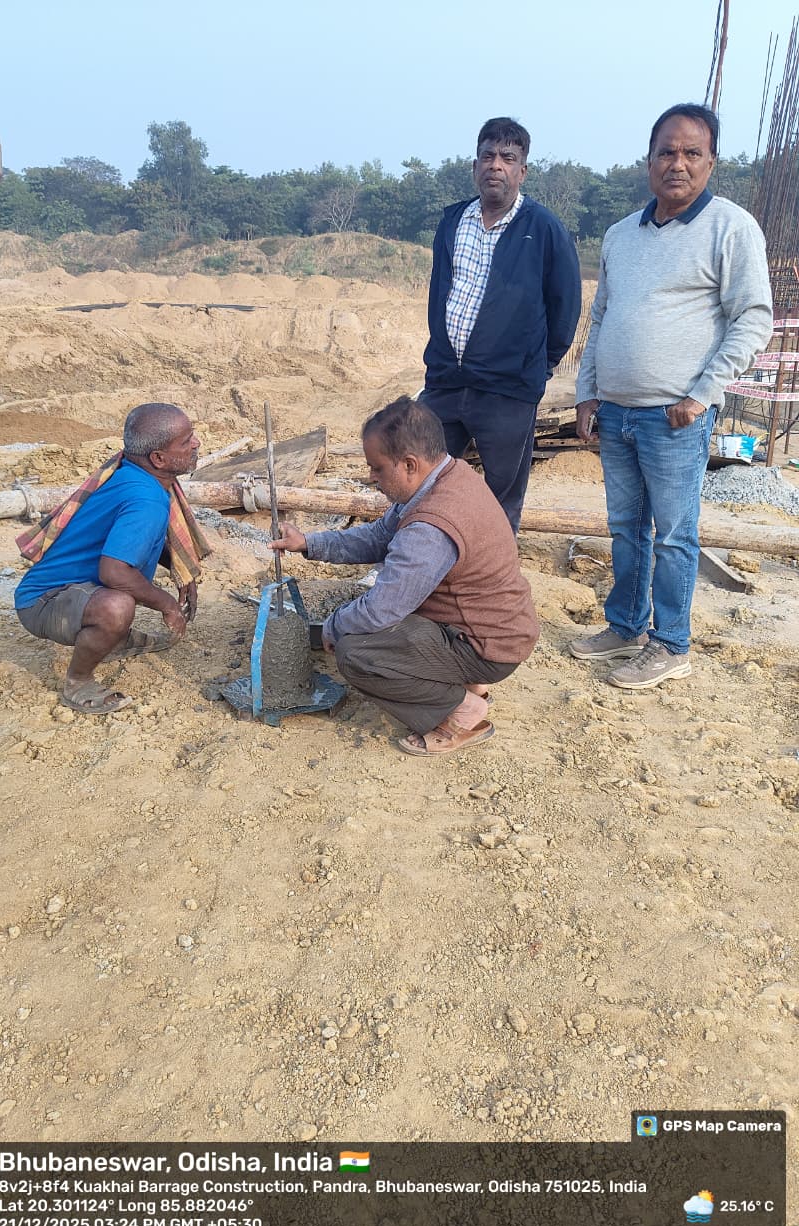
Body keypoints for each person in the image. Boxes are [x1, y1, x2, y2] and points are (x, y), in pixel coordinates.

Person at [571, 103, 773, 689]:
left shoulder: (731, 227)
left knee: (676, 535)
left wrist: (703, 394)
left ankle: (671, 644)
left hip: (676, 417)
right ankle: (626, 627)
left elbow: (753, 318)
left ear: (711, 162)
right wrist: (587, 394)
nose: (677, 164)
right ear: (649, 160)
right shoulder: (620, 235)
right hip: (617, 413)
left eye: (691, 153)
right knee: (625, 527)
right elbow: (602, 317)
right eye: (667, 152)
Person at [270, 396, 539, 755]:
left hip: (486, 646)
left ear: (410, 464)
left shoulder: (431, 526)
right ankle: (468, 684)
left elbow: (381, 610)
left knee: (356, 653)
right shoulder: (447, 477)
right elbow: (379, 537)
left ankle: (460, 712)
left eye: (378, 468)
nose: (372, 477)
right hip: (490, 628)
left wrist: (334, 627)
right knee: (368, 623)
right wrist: (309, 543)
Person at [420, 117, 581, 534]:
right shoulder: (453, 222)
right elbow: (441, 293)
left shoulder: (543, 229)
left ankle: (492, 572)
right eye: (488, 156)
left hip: (507, 391)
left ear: (522, 171)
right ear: (474, 166)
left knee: (500, 500)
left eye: (508, 158)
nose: (496, 165)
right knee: (422, 484)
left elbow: (565, 309)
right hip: (445, 382)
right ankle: (423, 563)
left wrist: (534, 368)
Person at [14, 402, 207, 714]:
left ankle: (115, 640)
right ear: (158, 459)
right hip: (43, 602)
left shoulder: (131, 473)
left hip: (72, 590)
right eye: (186, 441)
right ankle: (78, 682)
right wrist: (168, 604)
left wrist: (182, 571)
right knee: (116, 607)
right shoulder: (145, 499)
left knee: (119, 601)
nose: (196, 443)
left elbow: (144, 539)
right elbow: (114, 572)